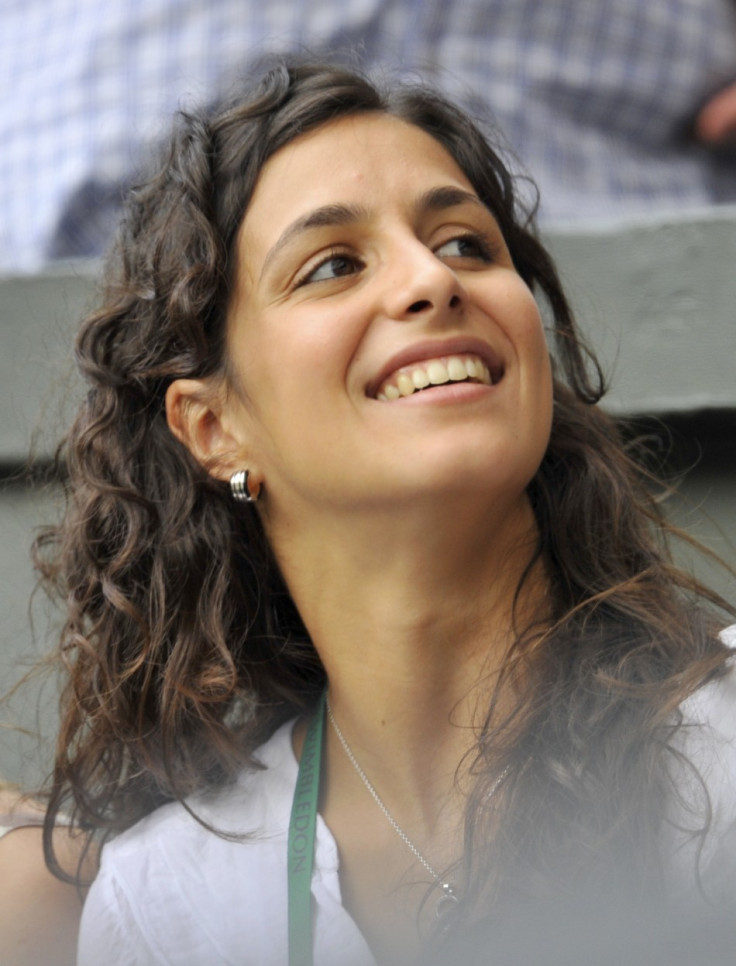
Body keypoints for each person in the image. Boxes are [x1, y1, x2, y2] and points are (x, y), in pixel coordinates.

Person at [34, 60, 736, 965]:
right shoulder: (171, 904)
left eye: (466, 245)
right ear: (213, 428)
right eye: (332, 265)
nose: (432, 281)